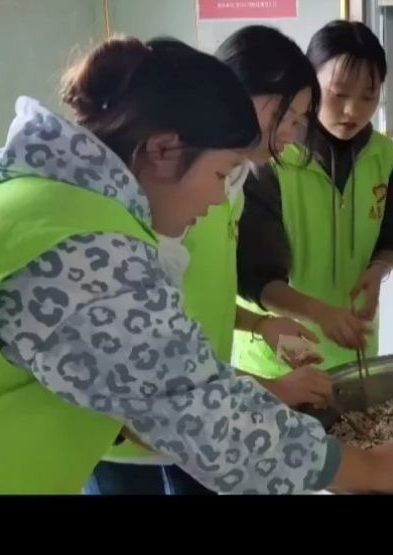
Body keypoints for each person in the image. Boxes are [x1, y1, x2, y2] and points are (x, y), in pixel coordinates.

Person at [0, 35, 393, 495]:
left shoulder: (51, 203)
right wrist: (371, 470)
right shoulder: (79, 247)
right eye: (221, 173)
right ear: (163, 151)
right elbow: (203, 417)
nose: (217, 200)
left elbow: (157, 388)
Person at [90, 26, 332, 495]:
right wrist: (268, 392)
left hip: (201, 413)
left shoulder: (231, 185)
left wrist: (259, 325)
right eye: (283, 114)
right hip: (133, 433)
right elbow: (140, 355)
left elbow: (201, 298)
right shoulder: (172, 195)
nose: (290, 136)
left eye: (299, 120)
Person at [232, 20, 393, 378]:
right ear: (308, 85)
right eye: (338, 93)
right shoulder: (270, 160)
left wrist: (378, 271)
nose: (353, 111)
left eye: (368, 97)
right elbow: (254, 276)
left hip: (356, 353)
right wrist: (320, 314)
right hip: (280, 359)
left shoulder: (384, 156)